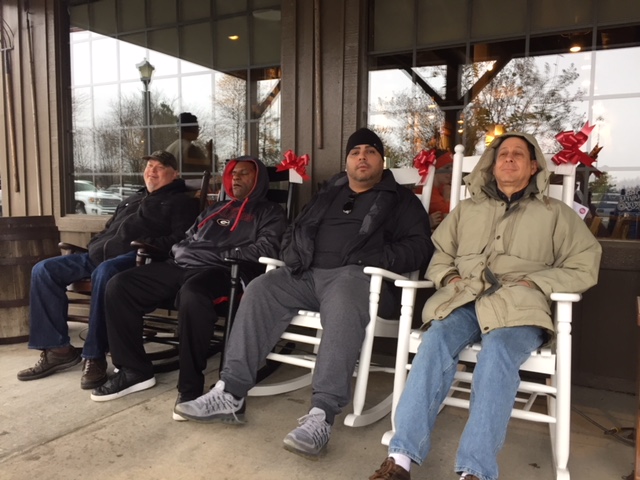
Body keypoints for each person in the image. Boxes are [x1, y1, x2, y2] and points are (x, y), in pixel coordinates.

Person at [174, 128, 434, 458]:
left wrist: (372, 258)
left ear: (382, 161)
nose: (362, 157)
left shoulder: (402, 201)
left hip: (360, 279)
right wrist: (293, 255)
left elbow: (420, 247)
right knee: (261, 288)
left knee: (344, 293)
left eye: (370, 152)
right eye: (355, 152)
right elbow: (295, 230)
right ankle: (231, 393)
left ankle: (321, 414)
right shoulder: (329, 194)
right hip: (308, 275)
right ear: (347, 161)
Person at [369, 133, 602, 480]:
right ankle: (400, 459)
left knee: (497, 353)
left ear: (533, 166)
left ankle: (475, 472)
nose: (508, 159)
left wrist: (539, 283)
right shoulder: (467, 210)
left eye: (518, 154)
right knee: (435, 341)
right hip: (464, 298)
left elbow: (585, 263)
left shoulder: (555, 214)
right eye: (502, 154)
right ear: (492, 166)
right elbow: (440, 254)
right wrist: (449, 277)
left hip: (519, 306)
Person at [91, 156, 287, 410]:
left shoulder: (271, 212)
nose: (236, 177)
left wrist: (216, 255)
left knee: (193, 294)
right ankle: (134, 370)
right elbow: (186, 239)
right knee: (120, 285)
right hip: (183, 266)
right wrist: (182, 251)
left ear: (258, 179)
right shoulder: (214, 210)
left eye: (244, 173)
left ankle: (190, 387)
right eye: (233, 173)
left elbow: (266, 249)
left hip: (225, 271)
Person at [17, 151, 199, 390]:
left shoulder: (182, 202)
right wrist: (96, 244)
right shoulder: (131, 199)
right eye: (149, 166)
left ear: (175, 174)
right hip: (95, 256)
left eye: (160, 167)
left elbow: (180, 239)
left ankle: (94, 355)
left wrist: (145, 244)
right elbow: (108, 229)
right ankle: (57, 350)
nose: (152, 171)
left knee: (104, 272)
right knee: (44, 270)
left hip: (137, 259)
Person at [428, 149, 453, 230]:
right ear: (435, 169)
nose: (451, 172)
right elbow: (449, 216)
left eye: (452, 168)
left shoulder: (442, 188)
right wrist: (447, 197)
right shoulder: (429, 191)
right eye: (447, 168)